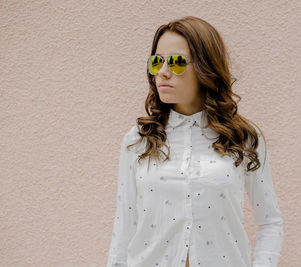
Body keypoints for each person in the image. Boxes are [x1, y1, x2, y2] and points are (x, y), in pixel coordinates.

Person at [107, 16, 284, 267]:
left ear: (205, 67)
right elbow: (124, 225)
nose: (163, 72)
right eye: (157, 61)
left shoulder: (243, 138)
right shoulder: (138, 140)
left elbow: (270, 221)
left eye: (177, 62)